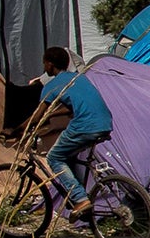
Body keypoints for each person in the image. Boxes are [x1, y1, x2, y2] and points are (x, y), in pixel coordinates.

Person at [36, 46, 112, 218]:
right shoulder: (79, 78)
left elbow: (37, 117)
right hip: (104, 122)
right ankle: (83, 198)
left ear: (49, 64)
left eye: (44, 64)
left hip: (84, 126)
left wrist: (17, 130)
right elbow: (72, 107)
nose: (44, 67)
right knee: (68, 156)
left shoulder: (52, 85)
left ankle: (80, 198)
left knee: (54, 157)